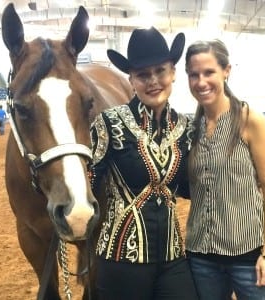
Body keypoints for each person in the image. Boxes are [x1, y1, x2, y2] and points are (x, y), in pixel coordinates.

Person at [89, 27, 198, 300]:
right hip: (120, 260)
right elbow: (89, 182)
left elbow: (187, 187)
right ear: (132, 80)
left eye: (160, 71)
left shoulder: (186, 127)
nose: (153, 81)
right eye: (142, 75)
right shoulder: (109, 123)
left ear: (173, 72)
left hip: (172, 256)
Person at [184, 39, 265, 300]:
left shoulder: (249, 119)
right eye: (194, 75)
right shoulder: (190, 129)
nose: (201, 82)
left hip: (249, 258)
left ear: (226, 71)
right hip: (201, 258)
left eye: (209, 72)